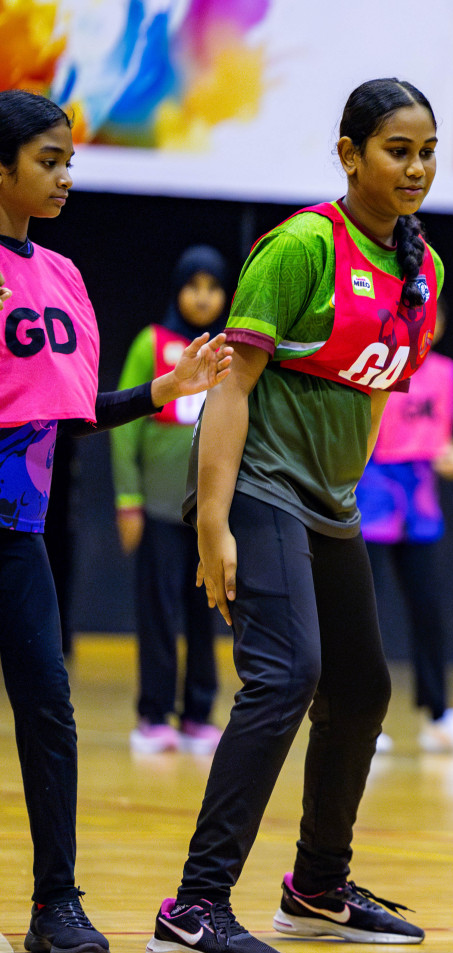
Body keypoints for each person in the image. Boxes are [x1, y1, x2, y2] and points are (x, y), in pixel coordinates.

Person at [148, 78, 443, 953]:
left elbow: (371, 397)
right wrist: (212, 523)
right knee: (286, 675)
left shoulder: (422, 271)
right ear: (350, 153)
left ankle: (318, 890)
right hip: (258, 488)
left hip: (330, 504)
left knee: (360, 691)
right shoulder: (304, 244)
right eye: (398, 149)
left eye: (428, 151)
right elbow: (230, 392)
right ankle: (194, 908)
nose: (417, 167)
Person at [0, 89, 231, 953]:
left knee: (49, 713)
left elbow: (71, 411)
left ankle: (56, 904)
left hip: (20, 531)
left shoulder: (62, 276)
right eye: (47, 161)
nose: (65, 176)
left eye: (69, 161)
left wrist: (163, 394)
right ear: (1, 168)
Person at [357, 300, 453, 754]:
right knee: (363, 616)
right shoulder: (378, 366)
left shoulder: (446, 373)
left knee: (429, 611)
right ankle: (360, 718)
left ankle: (437, 715)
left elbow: (441, 438)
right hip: (373, 500)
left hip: (420, 508)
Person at [114, 245, 229, 755]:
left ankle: (199, 714)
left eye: (212, 287)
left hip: (207, 514)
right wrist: (128, 499)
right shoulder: (151, 343)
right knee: (158, 611)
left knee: (207, 610)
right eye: (193, 285)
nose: (202, 297)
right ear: (177, 289)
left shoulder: (231, 351)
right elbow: (123, 430)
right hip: (159, 509)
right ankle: (153, 715)